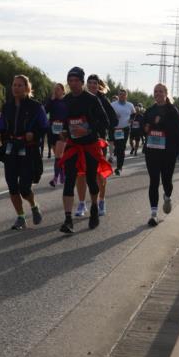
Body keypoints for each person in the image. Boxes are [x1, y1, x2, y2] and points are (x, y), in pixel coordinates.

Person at [58, 67, 112, 234]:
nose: (73, 83)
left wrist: (87, 129)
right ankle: (68, 219)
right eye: (70, 80)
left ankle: (94, 207)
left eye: (76, 81)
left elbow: (105, 121)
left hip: (90, 145)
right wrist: (63, 131)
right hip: (73, 146)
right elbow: (62, 121)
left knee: (91, 179)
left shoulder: (92, 99)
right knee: (69, 181)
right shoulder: (65, 100)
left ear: (82, 82)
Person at [0, 75, 47, 229]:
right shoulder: (7, 107)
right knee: (12, 185)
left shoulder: (36, 106)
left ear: (27, 88)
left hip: (28, 149)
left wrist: (35, 134)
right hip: (11, 148)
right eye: (14, 85)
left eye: (19, 85)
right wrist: (0, 134)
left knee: (24, 188)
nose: (16, 88)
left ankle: (33, 205)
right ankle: (20, 217)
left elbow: (45, 126)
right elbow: (2, 125)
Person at [142, 83, 179, 226]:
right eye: (155, 91)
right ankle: (153, 214)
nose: (158, 93)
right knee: (153, 181)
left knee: (167, 181)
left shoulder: (172, 110)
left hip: (168, 152)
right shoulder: (150, 110)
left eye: (160, 91)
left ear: (166, 93)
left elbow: (178, 131)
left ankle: (167, 197)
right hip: (152, 151)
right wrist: (147, 127)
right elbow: (144, 127)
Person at [76, 75, 117, 218]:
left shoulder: (102, 100)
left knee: (99, 174)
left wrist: (96, 128)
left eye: (95, 83)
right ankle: (81, 204)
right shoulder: (81, 97)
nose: (92, 85)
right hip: (80, 141)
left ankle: (101, 201)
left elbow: (113, 120)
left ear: (98, 86)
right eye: (90, 83)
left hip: (97, 141)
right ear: (86, 84)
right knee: (80, 173)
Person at [44, 82, 68, 187]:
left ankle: (55, 179)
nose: (56, 91)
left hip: (62, 131)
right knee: (59, 156)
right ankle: (63, 174)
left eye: (58, 89)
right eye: (55, 89)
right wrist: (51, 100)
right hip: (52, 131)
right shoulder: (52, 101)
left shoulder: (66, 101)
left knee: (58, 156)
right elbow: (44, 110)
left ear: (63, 90)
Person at [111, 88, 135, 175]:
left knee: (121, 147)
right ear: (118, 95)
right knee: (117, 147)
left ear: (126, 96)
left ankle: (119, 167)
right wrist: (114, 116)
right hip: (116, 129)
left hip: (125, 129)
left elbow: (133, 113)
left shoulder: (130, 105)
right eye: (120, 94)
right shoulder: (113, 104)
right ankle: (118, 160)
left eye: (124, 94)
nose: (122, 96)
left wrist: (131, 119)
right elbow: (108, 114)